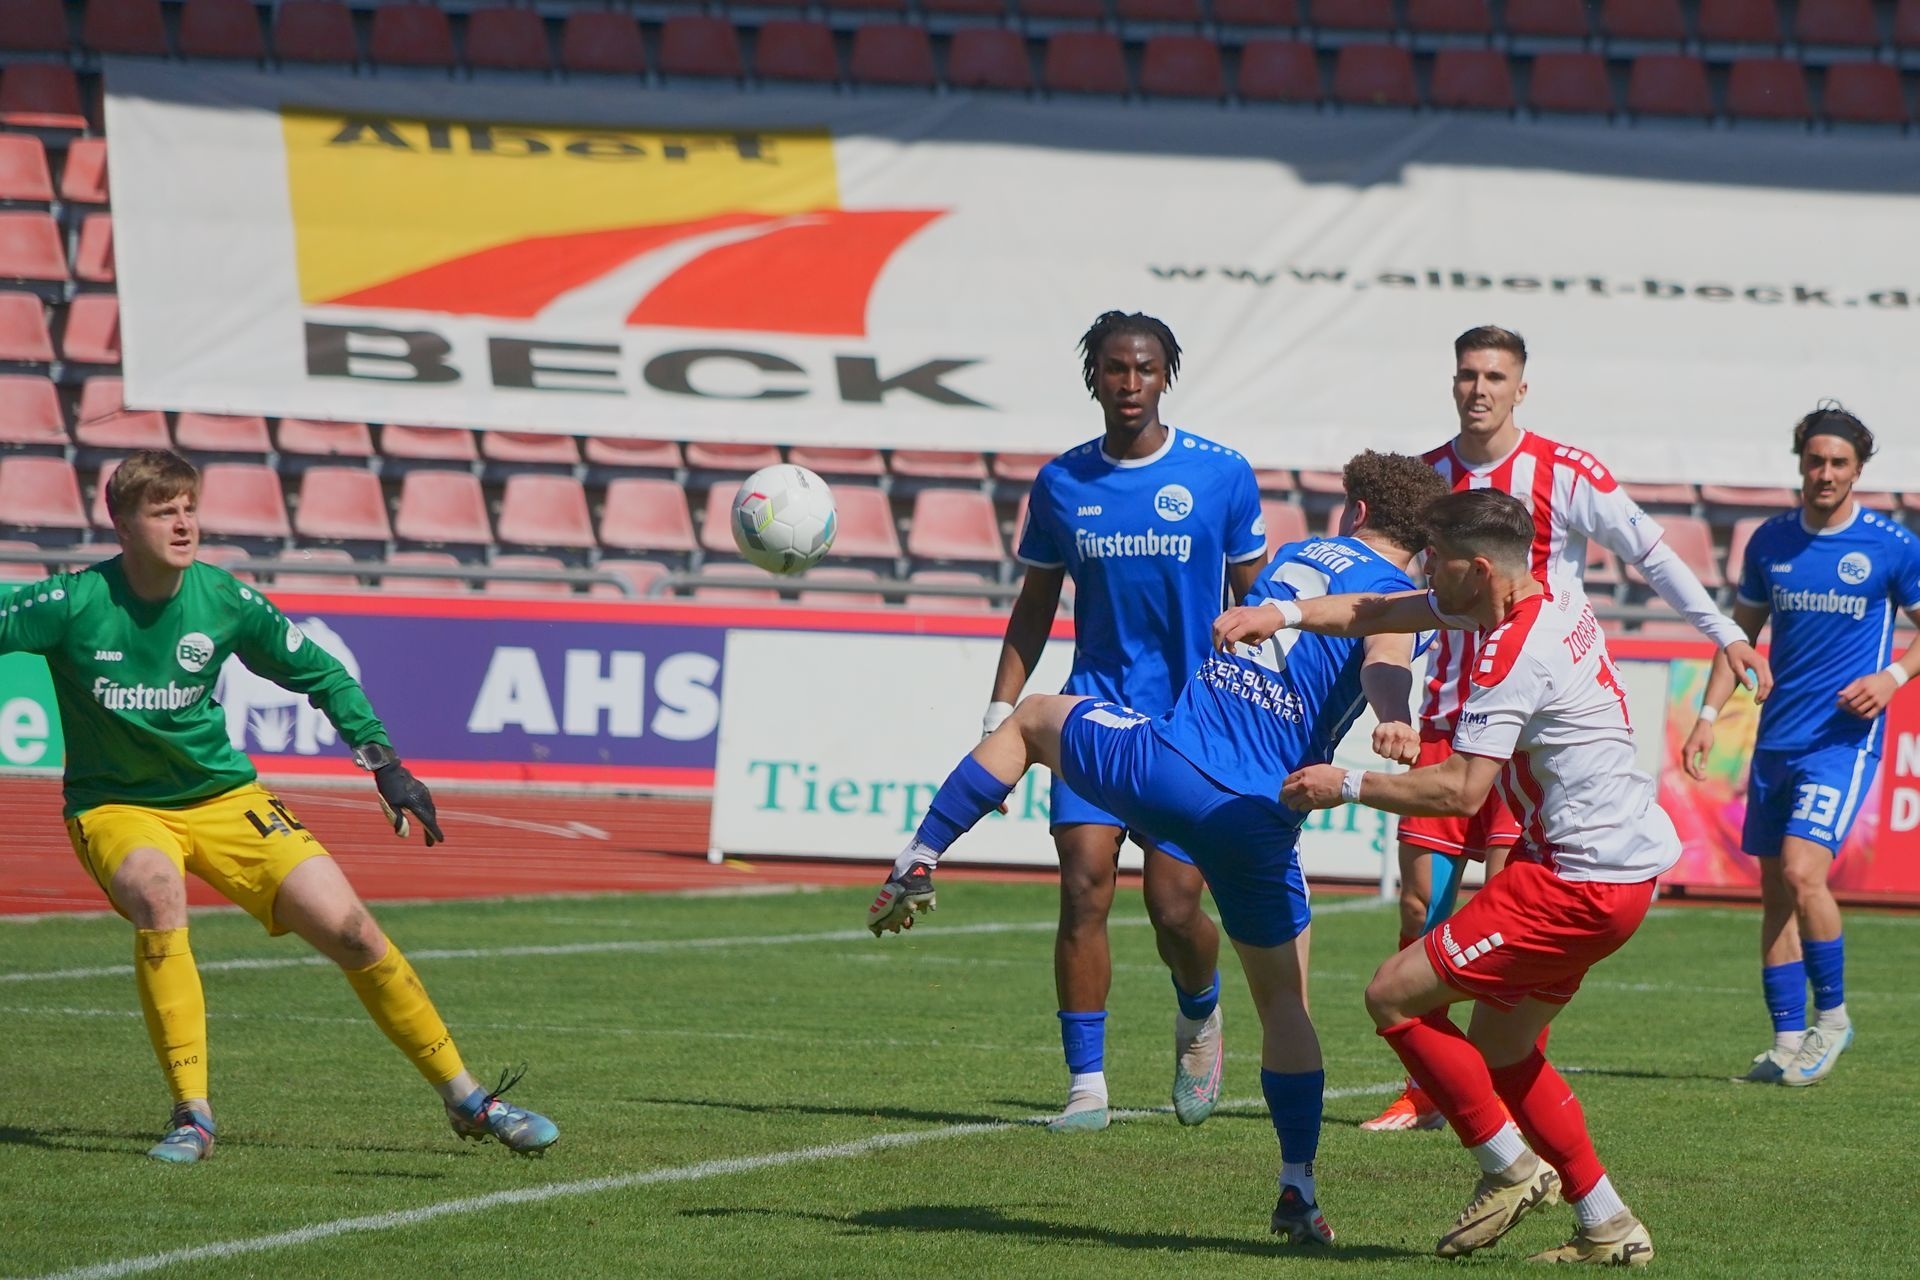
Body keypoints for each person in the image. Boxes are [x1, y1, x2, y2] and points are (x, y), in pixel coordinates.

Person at [869, 450, 1450, 1245]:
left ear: (1356, 512)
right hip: (1256, 815)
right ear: (1419, 541)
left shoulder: (1296, 555)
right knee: (1286, 1006)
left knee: (1033, 718)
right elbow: (1385, 659)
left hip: (1167, 768)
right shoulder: (1396, 599)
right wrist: (1397, 720)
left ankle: (921, 854)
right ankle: (1297, 1187)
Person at [0, 449, 557, 1163]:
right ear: (123, 524)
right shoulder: (71, 603)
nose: (183, 524)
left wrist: (384, 764)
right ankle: (193, 1117)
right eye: (163, 511)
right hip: (116, 807)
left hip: (227, 798)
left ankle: (471, 1101)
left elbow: (322, 673)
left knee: (353, 931)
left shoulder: (223, 600)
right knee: (158, 894)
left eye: (189, 508)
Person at [1224, 488, 1685, 1265]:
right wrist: (1284, 613)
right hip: (1618, 872)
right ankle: (1608, 1224)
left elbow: (1462, 791)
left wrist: (1345, 783)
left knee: (1392, 994)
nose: (1424, 572)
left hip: (1575, 881)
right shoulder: (1543, 597)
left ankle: (1509, 1167)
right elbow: (1377, 612)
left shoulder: (1515, 655)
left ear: (1478, 571)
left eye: (1435, 561)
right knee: (1503, 1044)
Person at [1363, 324, 1771, 1133]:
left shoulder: (1564, 470)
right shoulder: (1428, 481)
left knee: (1507, 908)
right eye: (1467, 374)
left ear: (1521, 388)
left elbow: (1652, 552)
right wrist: (1394, 709)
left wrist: (1722, 630)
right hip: (1448, 719)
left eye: (1495, 376)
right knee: (1417, 908)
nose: (1478, 389)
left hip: (1534, 733)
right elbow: (1391, 604)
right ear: (1453, 382)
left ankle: (1496, 1089)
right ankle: (1431, 1090)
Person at [979, 311, 1268, 1132]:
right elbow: (1034, 605)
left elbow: (1259, 601)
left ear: (1165, 376)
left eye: (1144, 369)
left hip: (1191, 725)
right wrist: (1000, 713)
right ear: (1094, 378)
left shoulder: (1221, 474)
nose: (1130, 383)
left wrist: (1265, 713)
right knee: (1082, 888)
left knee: (1174, 908)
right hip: (1092, 714)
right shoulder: (1061, 483)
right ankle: (1086, 1087)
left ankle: (1200, 1013)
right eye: (1115, 369)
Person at [1682, 404, 1920, 1086]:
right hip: (1775, 741)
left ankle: (1833, 1019)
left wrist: (1893, 676)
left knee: (1801, 871)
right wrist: (1707, 715)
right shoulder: (1770, 542)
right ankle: (1787, 1041)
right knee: (1775, 893)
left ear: (1859, 470)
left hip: (1842, 742)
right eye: (1815, 461)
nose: (1825, 473)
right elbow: (1738, 637)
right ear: (1801, 464)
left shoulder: (1891, 545)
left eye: (1839, 463)